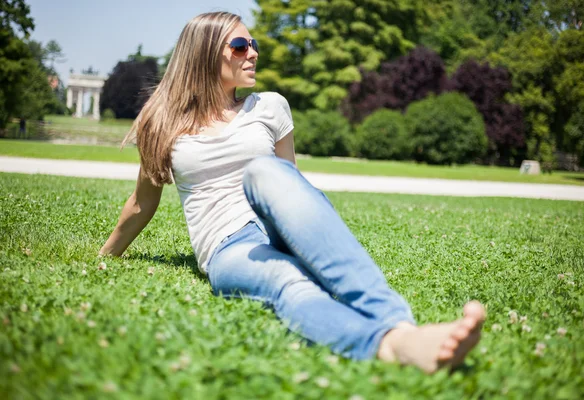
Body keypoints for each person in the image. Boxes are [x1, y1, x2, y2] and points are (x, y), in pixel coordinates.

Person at [100, 11, 485, 374]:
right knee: (289, 280)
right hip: (228, 247)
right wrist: (105, 256)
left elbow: (292, 186)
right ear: (203, 54)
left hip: (280, 220)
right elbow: (142, 202)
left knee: (266, 171)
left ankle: (396, 320)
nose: (252, 53)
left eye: (253, 44)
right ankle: (395, 343)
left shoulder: (270, 107)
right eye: (239, 46)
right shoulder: (162, 120)